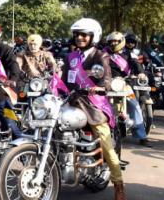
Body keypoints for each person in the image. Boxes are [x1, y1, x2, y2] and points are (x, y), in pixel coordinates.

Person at [61, 18, 125, 200]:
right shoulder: (71, 57)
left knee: (106, 145)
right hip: (72, 102)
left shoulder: (100, 56)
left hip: (93, 104)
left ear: (93, 36)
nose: (79, 38)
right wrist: (55, 89)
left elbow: (106, 79)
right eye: (77, 34)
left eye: (84, 34)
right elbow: (65, 82)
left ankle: (118, 183)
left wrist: (100, 87)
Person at [105, 31, 150, 146]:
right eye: (111, 42)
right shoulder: (103, 53)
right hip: (106, 84)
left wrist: (141, 73)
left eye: (116, 41)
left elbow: (136, 64)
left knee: (134, 105)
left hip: (124, 83)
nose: (113, 43)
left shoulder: (129, 53)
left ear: (121, 42)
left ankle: (141, 136)